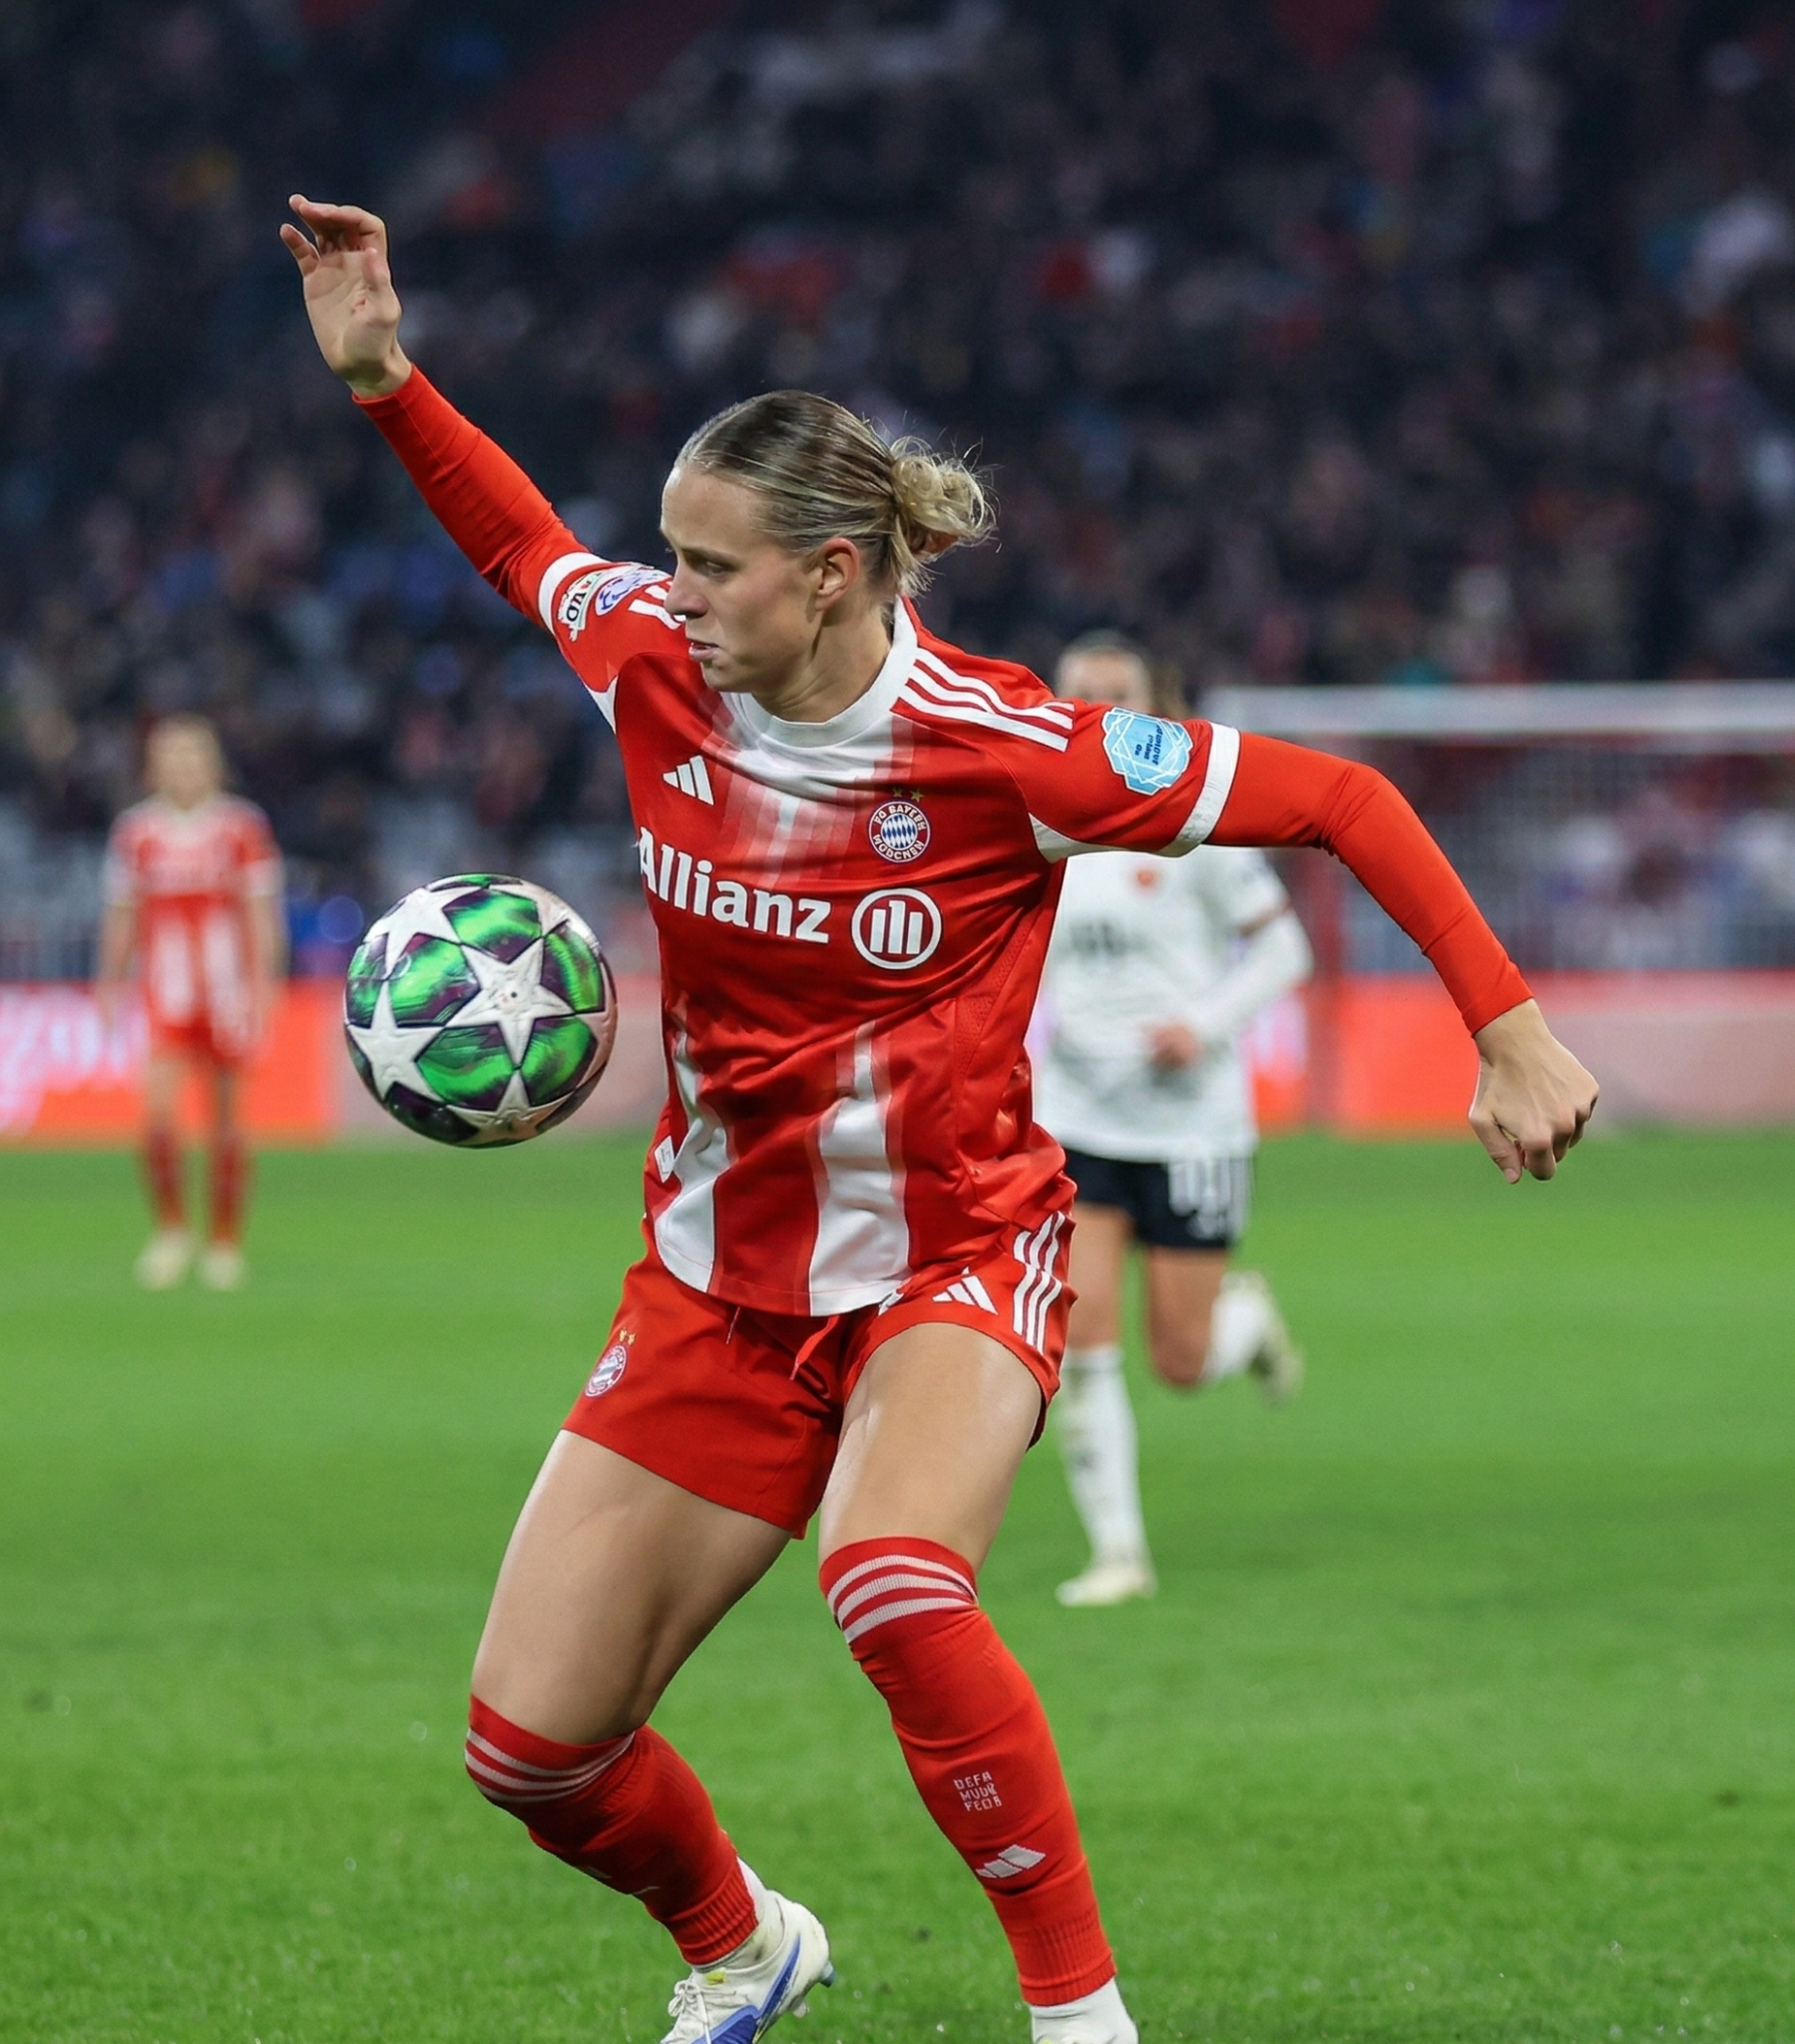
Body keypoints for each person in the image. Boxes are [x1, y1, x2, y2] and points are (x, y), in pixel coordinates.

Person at [281, 196, 1598, 2044]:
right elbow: (518, 544)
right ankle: (745, 1946)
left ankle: (1081, 2019)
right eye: (664, 556)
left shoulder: (1011, 751)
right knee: (531, 1753)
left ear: (829, 571)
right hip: (713, 1282)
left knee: (893, 1583)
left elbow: (1339, 800)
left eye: (709, 563)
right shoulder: (652, 664)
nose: (666, 591)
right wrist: (383, 381)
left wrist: (1508, 1026)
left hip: (957, 1252)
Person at [1034, 634, 1312, 1609]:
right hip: (1074, 1115)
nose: (1096, 709)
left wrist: (1199, 1024)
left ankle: (1246, 1318)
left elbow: (1285, 954)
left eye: (1116, 695)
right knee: (1080, 1340)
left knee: (1180, 1359)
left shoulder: (1193, 824)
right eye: (1078, 694)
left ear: (1154, 706)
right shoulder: (1036, 820)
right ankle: (1119, 1553)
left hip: (1192, 1124)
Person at [97, 716, 285, 1290]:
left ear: (212, 763)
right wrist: (109, 981)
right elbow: (123, 914)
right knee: (156, 1116)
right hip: (166, 994)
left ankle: (225, 1243)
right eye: (171, 757)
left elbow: (261, 914)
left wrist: (266, 983)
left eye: (193, 756)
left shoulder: (242, 827)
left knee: (228, 1120)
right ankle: (172, 1232)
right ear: (153, 766)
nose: (183, 767)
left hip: (226, 994)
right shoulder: (136, 833)